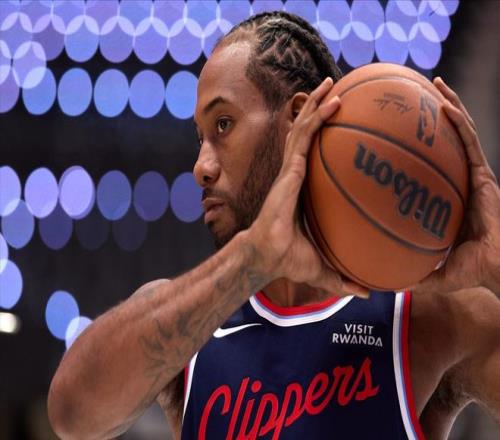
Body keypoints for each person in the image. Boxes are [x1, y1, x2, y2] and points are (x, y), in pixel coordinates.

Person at [48, 11, 500, 440]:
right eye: (200, 138)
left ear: (296, 119)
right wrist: (250, 260)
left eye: (223, 124)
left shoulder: (424, 314)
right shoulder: (188, 323)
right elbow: (71, 415)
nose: (201, 167)